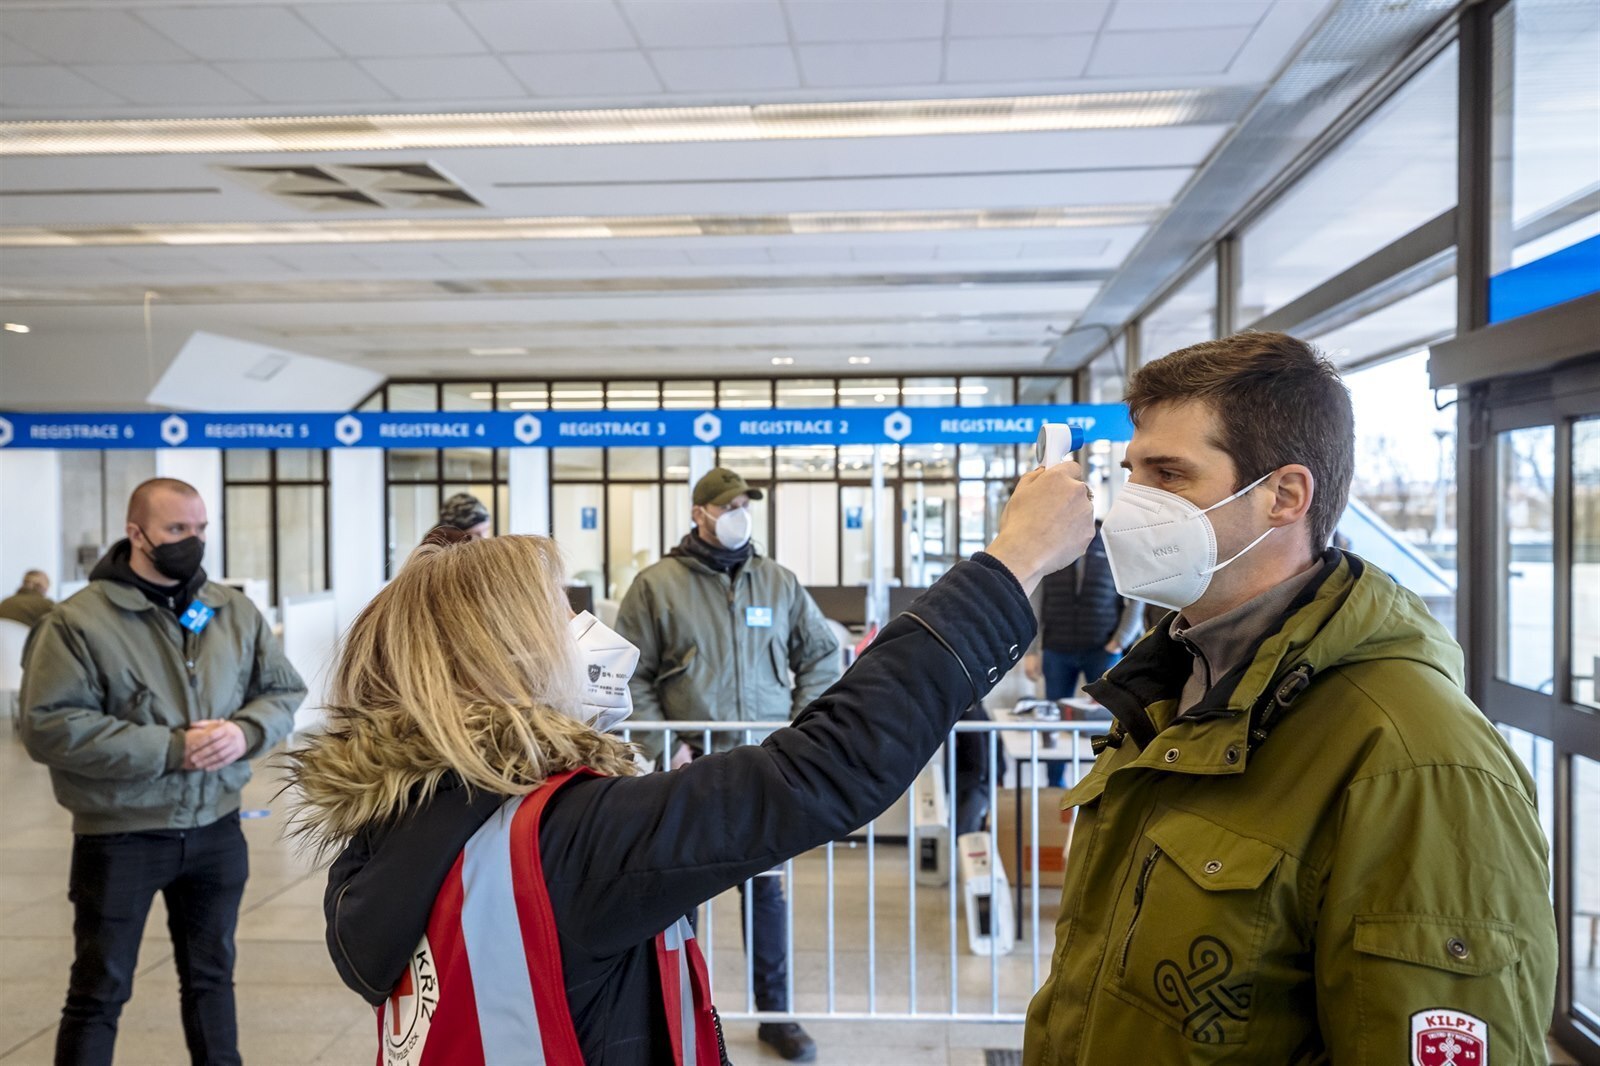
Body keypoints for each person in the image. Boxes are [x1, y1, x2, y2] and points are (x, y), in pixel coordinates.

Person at [293, 462, 1095, 1066]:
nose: (588, 638)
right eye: (562, 621)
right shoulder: (569, 839)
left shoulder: (403, 823)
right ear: (502, 665)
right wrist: (1012, 563)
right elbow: (827, 768)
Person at [1023, 333, 1558, 1063]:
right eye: (1132, 475)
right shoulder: (1172, 687)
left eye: (1169, 475)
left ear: (1284, 496)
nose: (1127, 508)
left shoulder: (1418, 762)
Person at [20, 478, 307, 1066]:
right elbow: (48, 726)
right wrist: (172, 748)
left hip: (216, 828)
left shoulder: (230, 611)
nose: (192, 541)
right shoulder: (77, 622)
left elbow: (282, 690)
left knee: (212, 980)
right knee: (99, 990)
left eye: (200, 529)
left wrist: (245, 732)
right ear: (136, 533)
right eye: (176, 529)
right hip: (120, 834)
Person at [614, 467, 842, 1061]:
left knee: (767, 894)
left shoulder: (777, 582)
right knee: (677, 898)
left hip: (765, 767)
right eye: (728, 505)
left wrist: (799, 730)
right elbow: (630, 674)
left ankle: (776, 1015)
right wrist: (667, 744)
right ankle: (673, 1012)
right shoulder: (656, 586)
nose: (740, 513)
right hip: (688, 771)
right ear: (700, 514)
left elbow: (820, 656)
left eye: (745, 503)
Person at [1021, 522, 1144, 786]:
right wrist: (1031, 650)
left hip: (1102, 650)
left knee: (1109, 721)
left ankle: (1105, 784)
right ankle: (1055, 786)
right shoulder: (1054, 545)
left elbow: (1137, 594)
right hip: (1057, 649)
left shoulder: (1113, 543)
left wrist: (1120, 640)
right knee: (1054, 721)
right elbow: (1036, 598)